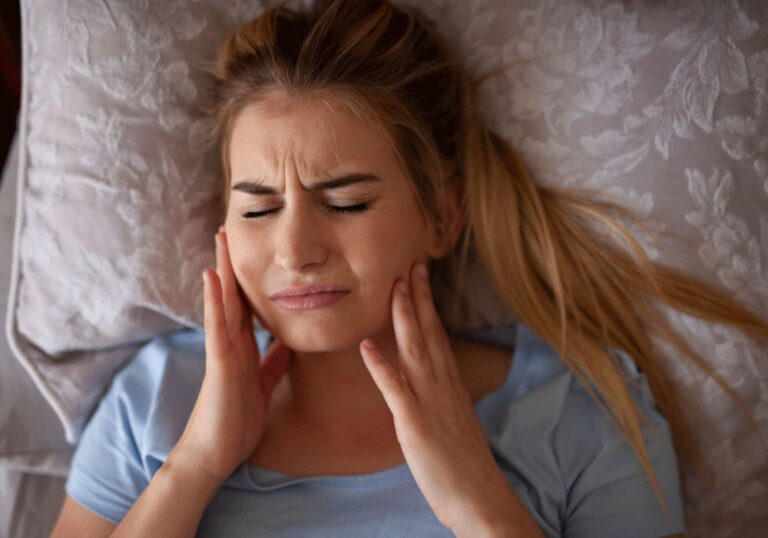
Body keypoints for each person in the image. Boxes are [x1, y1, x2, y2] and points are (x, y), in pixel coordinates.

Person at [50, 0, 767, 536]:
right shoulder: (156, 401)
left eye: (349, 203)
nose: (297, 250)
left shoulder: (579, 412)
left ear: (443, 216)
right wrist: (197, 465)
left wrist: (477, 501)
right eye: (259, 209)